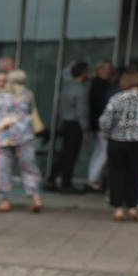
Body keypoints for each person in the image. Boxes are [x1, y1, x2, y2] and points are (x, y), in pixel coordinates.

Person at [97, 69, 138, 221]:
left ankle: (118, 208)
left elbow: (104, 121)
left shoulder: (117, 98)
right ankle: (132, 207)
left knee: (116, 173)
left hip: (117, 141)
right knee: (135, 174)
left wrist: (108, 135)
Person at [0, 68, 44, 213]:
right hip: (25, 136)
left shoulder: (0, 96)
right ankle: (35, 197)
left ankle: (4, 200)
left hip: (4, 136)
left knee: (3, 168)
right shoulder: (28, 94)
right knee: (29, 167)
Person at [53, 61, 90, 193]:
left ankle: (52, 179)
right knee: (70, 156)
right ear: (83, 73)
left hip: (65, 123)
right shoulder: (80, 89)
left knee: (65, 154)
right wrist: (85, 131)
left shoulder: (66, 87)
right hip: (75, 125)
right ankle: (66, 184)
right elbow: (81, 111)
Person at [86, 60, 119, 191]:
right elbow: (100, 107)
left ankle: (92, 179)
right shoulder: (99, 85)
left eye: (108, 69)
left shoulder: (104, 84)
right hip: (102, 123)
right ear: (98, 70)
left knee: (99, 152)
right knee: (104, 153)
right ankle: (92, 179)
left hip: (100, 123)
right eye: (103, 68)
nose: (106, 71)